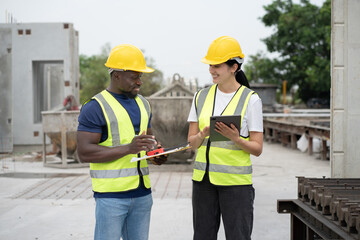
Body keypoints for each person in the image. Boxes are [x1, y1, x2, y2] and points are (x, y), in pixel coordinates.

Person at [76, 44, 167, 240]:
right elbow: (84, 152)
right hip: (111, 197)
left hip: (143, 195)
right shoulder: (95, 107)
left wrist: (156, 155)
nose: (140, 82)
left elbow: (148, 142)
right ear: (116, 75)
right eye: (135, 77)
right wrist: (128, 149)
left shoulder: (143, 103)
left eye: (140, 77)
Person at [187, 36, 263, 240]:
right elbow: (191, 144)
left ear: (234, 67)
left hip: (236, 184)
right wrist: (202, 134)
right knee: (202, 236)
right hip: (203, 183)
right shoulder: (200, 96)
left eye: (217, 65)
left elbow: (257, 148)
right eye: (210, 65)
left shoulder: (251, 99)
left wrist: (235, 138)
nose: (212, 70)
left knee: (238, 236)